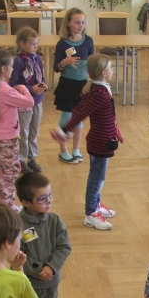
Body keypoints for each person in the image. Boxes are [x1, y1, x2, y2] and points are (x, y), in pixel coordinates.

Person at [50, 54, 122, 231]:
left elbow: (103, 115)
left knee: (98, 176)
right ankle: (90, 213)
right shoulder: (100, 93)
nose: (112, 70)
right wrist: (64, 130)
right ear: (104, 72)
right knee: (97, 178)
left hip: (103, 139)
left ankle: (95, 204)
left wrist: (116, 131)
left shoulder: (100, 89)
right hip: (100, 141)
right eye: (111, 68)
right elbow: (80, 113)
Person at [15, 172, 71, 298]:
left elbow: (64, 247)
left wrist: (52, 267)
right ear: (26, 202)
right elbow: (16, 254)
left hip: (50, 285)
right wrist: (38, 269)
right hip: (27, 285)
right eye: (42, 199)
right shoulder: (18, 225)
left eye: (50, 195)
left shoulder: (55, 221)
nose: (49, 201)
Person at [0, 49, 34, 211]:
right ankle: (7, 207)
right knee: (9, 172)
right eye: (11, 66)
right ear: (3, 68)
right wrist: (23, 88)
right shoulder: (5, 90)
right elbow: (29, 102)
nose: (12, 69)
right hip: (7, 138)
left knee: (1, 171)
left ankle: (1, 203)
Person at [53, 7, 95, 164]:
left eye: (83, 22)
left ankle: (76, 149)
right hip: (67, 86)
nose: (81, 25)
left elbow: (92, 62)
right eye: (77, 22)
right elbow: (56, 68)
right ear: (68, 23)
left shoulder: (88, 41)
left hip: (82, 86)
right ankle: (63, 151)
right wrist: (64, 62)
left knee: (79, 119)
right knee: (66, 117)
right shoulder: (62, 44)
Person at [10, 27, 47, 174]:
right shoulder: (18, 61)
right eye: (32, 44)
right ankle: (20, 159)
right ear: (22, 44)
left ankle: (32, 157)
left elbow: (41, 76)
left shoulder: (37, 58)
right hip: (24, 103)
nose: (35, 47)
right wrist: (31, 89)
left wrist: (43, 85)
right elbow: (13, 85)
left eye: (36, 44)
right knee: (23, 131)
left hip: (37, 101)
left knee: (34, 131)